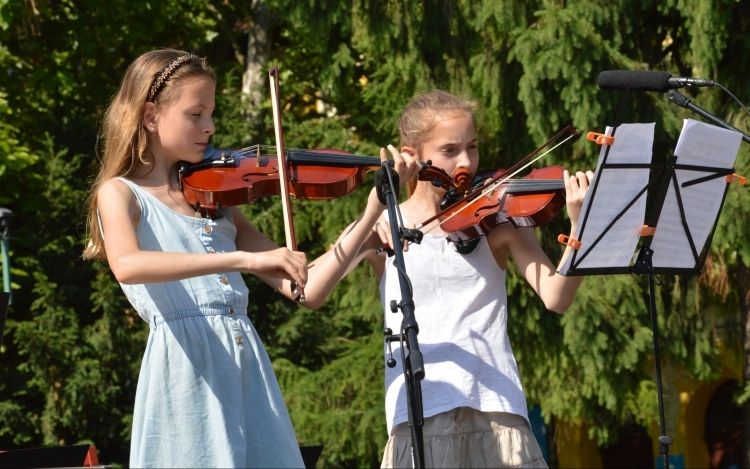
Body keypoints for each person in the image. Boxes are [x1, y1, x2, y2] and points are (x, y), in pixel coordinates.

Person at [82, 49, 421, 468]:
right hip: (186, 374)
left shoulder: (216, 203)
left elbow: (307, 289)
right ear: (151, 116)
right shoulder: (120, 193)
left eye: (211, 113)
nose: (210, 127)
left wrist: (370, 213)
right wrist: (241, 259)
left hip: (245, 368)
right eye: (196, 114)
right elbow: (128, 265)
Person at [333, 90, 594, 468]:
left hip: (497, 411)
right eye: (450, 150)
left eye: (471, 147)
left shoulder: (498, 220)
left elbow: (557, 297)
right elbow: (311, 284)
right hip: (420, 413)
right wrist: (368, 221)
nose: (467, 162)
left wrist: (579, 227)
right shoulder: (385, 226)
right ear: (411, 154)